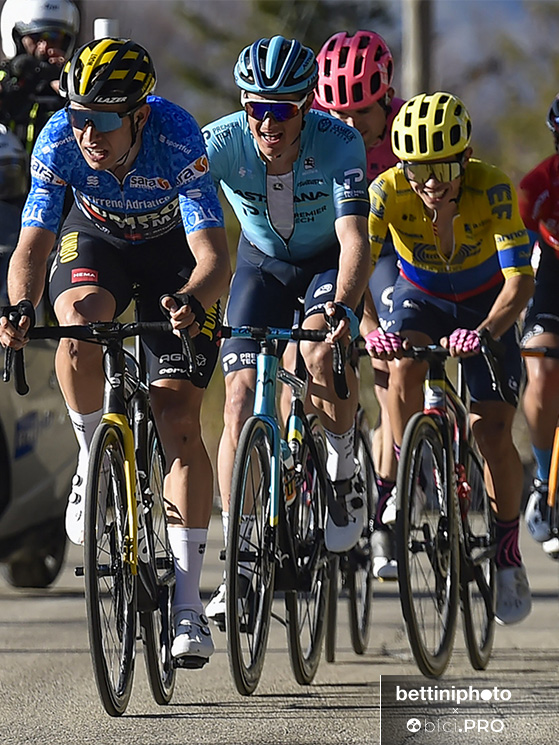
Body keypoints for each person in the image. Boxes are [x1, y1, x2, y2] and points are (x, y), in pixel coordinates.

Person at [0, 38, 231, 666]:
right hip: (96, 240)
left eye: (103, 119)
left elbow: (213, 256)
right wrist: (18, 306)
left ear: (138, 114)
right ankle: (90, 458)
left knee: (177, 418)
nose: (88, 133)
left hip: (172, 255)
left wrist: (191, 300)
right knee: (77, 325)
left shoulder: (176, 135)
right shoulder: (58, 139)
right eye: (79, 116)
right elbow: (32, 245)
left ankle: (188, 606)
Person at [202, 35, 372, 627]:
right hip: (261, 265)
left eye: (282, 110)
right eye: (257, 108)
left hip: (326, 263)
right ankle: (239, 561)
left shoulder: (339, 142)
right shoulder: (219, 143)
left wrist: (343, 307)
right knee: (239, 399)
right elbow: (182, 222)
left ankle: (343, 466)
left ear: (307, 106)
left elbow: (354, 239)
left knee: (320, 355)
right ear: (243, 104)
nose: (268, 123)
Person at [366, 91, 534, 625]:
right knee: (402, 364)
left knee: (491, 432)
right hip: (422, 297)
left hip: (487, 304)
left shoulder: (493, 187)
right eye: (418, 169)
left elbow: (520, 282)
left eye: (443, 167)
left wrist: (485, 332)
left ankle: (506, 553)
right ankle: (403, 475)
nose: (431, 182)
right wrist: (371, 330)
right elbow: (355, 268)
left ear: (466, 159)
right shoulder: (386, 191)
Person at [314, 29, 404, 580]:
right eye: (337, 113)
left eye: (361, 112)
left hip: (394, 251)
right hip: (336, 250)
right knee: (310, 355)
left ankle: (389, 496)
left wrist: (374, 324)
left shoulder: (406, 136)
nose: (348, 125)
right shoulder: (314, 131)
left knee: (391, 363)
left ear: (387, 98)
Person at [518, 93, 559, 559]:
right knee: (543, 368)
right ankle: (544, 478)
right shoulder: (540, 183)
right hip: (551, 278)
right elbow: (514, 260)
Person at [0, 0, 79, 153]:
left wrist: (69, 85)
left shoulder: (71, 82)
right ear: (17, 38)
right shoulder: (4, 77)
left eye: (54, 37)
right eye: (36, 37)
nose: (45, 47)